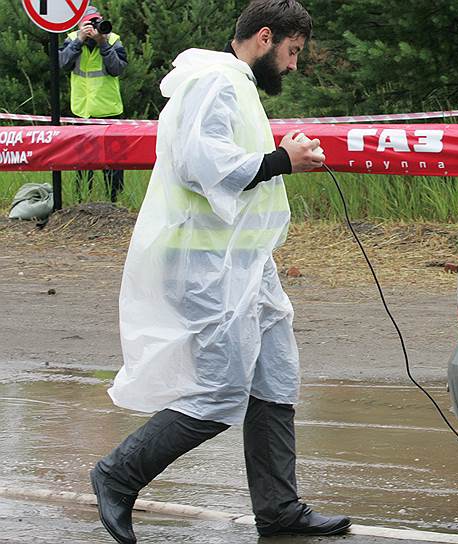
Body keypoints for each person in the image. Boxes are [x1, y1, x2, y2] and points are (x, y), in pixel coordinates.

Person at [87, 1, 349, 543]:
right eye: (293, 52)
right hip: (205, 268)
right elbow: (200, 162)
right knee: (219, 391)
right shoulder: (216, 83)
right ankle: (118, 473)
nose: (295, 66)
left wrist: (281, 156)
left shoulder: (234, 84)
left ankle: (278, 509)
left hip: (246, 263)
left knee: (276, 380)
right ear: (265, 37)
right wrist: (284, 159)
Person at [58, 6, 127, 202]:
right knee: (82, 163)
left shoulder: (113, 39)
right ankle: (82, 200)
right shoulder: (72, 40)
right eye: (89, 23)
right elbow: (62, 64)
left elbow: (117, 69)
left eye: (95, 22)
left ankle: (115, 201)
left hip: (109, 110)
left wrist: (103, 43)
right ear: (80, 24)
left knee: (113, 164)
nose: (93, 27)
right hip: (82, 111)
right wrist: (79, 41)